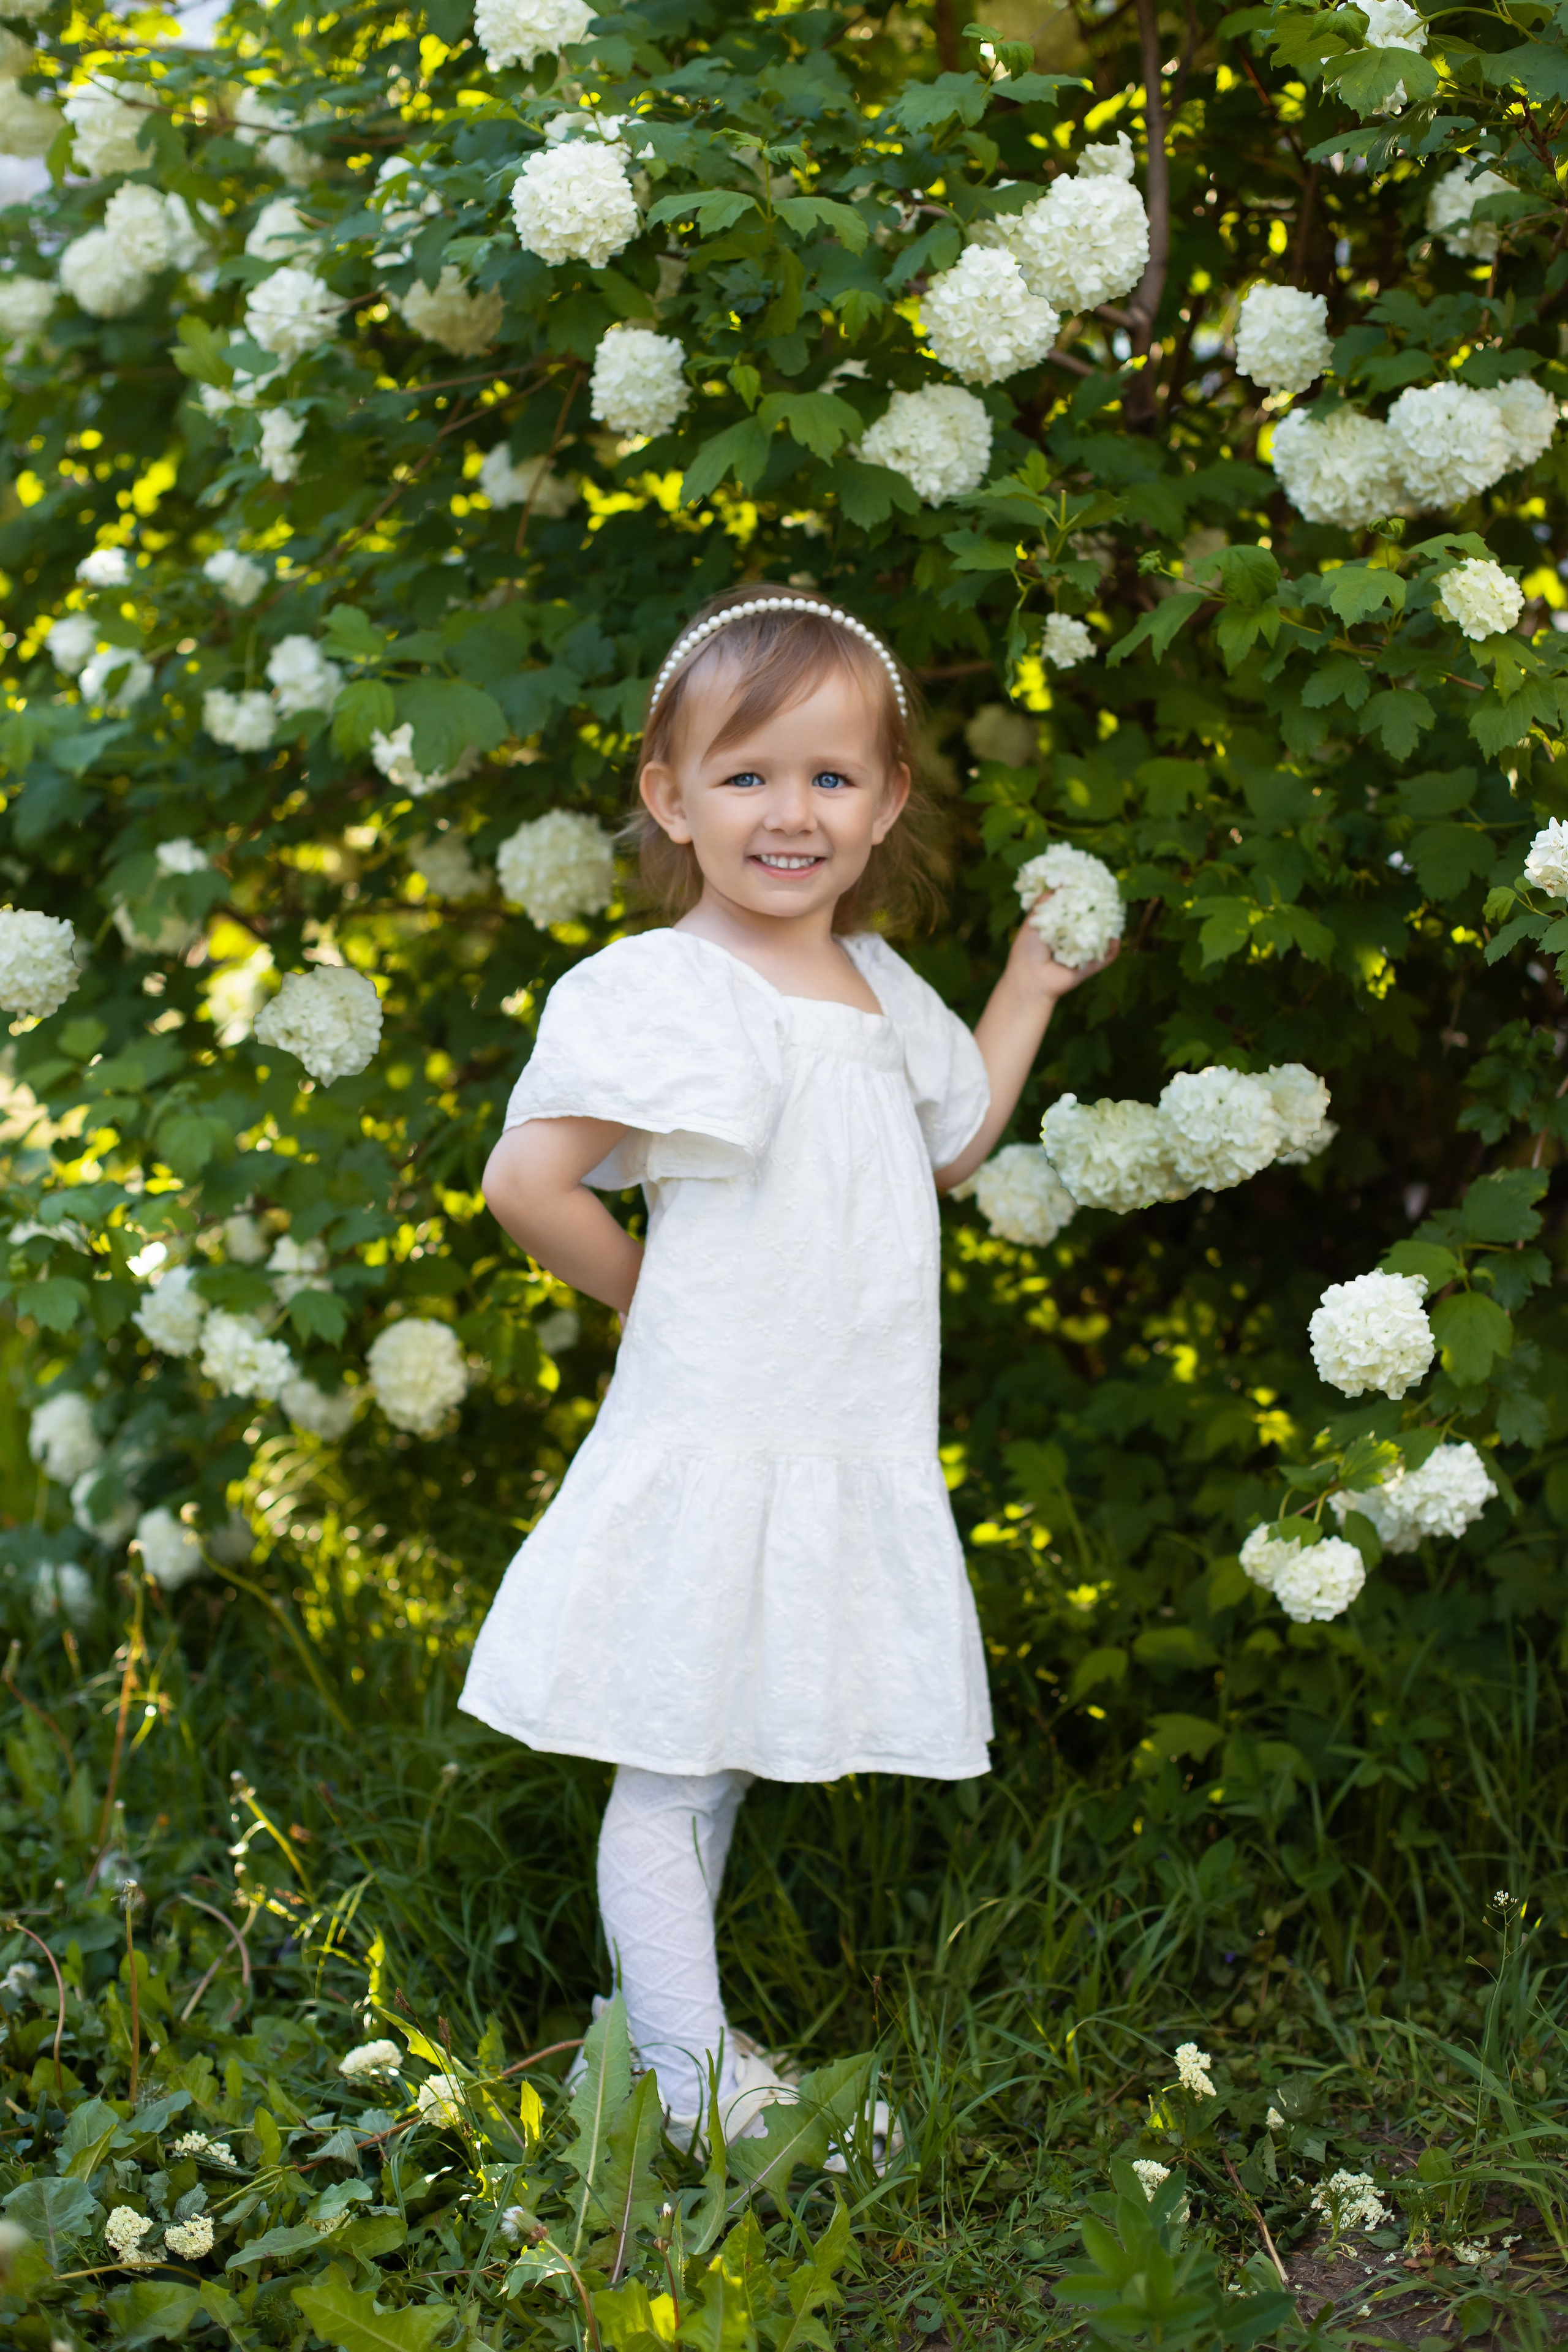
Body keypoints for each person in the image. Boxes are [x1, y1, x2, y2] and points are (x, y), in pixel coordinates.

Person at [459, 583, 1116, 2142]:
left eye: (829, 777)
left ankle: (664, 2037)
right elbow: (528, 1184)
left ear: (886, 801)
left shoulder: (881, 987)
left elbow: (947, 1148)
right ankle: (688, 2089)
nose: (788, 813)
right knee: (677, 1764)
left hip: (835, 1430)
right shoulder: (659, 988)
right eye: (745, 775)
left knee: (726, 1749)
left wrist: (1025, 988)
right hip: (716, 1428)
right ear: (668, 798)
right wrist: (656, 1308)